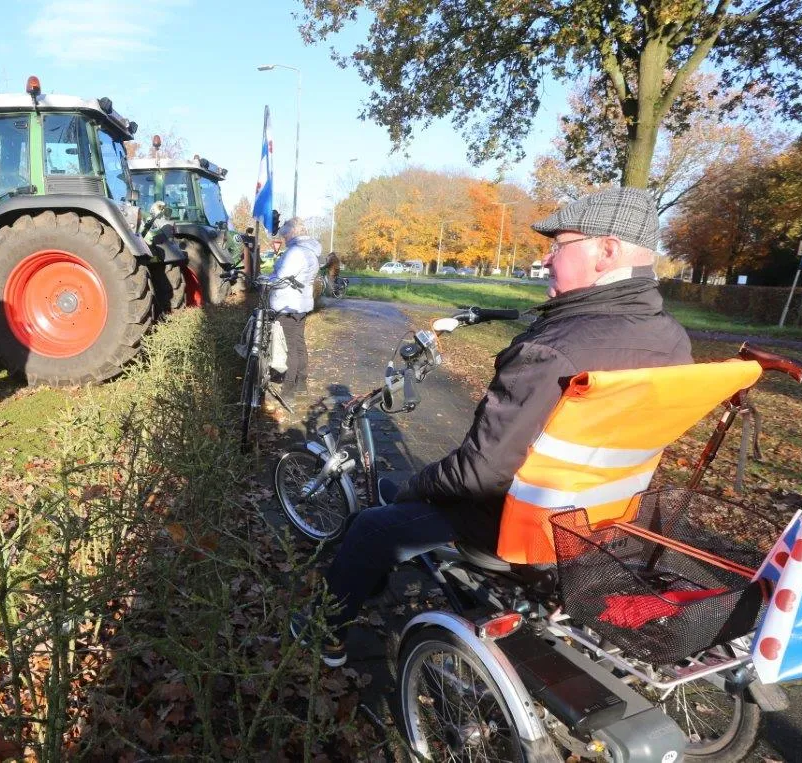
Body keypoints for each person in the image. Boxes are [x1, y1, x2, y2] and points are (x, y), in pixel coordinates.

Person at [295, 187, 692, 666]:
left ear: (606, 250)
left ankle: (324, 636)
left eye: (560, 245)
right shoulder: (672, 340)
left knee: (371, 524)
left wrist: (416, 485)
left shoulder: (555, 349)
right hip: (607, 516)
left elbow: (483, 472)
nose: (546, 259)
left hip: (526, 521)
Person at [268, 218, 320, 401]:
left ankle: (288, 390)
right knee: (298, 344)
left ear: (292, 233)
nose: (284, 238)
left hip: (288, 305)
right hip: (301, 305)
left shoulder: (296, 253)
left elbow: (282, 279)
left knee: (289, 348)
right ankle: (301, 384)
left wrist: (264, 281)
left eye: (285, 234)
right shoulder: (310, 252)